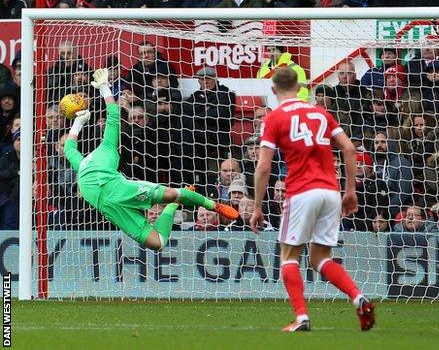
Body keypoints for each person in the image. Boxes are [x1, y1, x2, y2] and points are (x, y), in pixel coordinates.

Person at [250, 67, 375, 332]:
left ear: (274, 91)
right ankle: (358, 297)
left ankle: (302, 317)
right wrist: (350, 190)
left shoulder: (274, 118)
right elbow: (350, 149)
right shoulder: (321, 113)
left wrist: (258, 205)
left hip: (301, 191)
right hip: (331, 192)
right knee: (320, 258)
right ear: (299, 88)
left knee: (288, 256)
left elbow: (263, 167)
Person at [63, 68, 239, 251]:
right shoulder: (94, 157)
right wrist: (99, 95)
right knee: (158, 243)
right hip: (111, 209)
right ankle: (173, 206)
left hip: (119, 189)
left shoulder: (102, 152)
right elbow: (108, 119)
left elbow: (75, 144)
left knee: (173, 194)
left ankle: (213, 205)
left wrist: (86, 113)